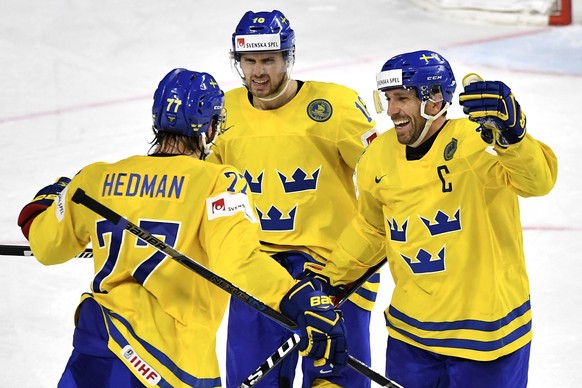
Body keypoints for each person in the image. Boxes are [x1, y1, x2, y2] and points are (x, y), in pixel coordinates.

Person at [16, 68, 347, 388]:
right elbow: (239, 263)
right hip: (172, 366)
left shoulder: (95, 179)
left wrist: (52, 198)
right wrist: (295, 297)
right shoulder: (218, 182)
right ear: (210, 128)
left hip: (97, 347)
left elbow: (46, 247)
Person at [318, 49, 558, 387]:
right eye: (388, 99)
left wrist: (513, 137)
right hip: (411, 335)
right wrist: (330, 279)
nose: (392, 111)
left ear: (434, 100)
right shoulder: (378, 156)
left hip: (487, 335)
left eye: (402, 98)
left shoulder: (478, 141)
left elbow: (538, 182)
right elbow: (371, 228)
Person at [207, 9, 380, 388]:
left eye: (268, 60)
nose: (257, 72)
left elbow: (383, 178)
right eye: (248, 61)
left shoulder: (335, 107)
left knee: (336, 381)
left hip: (332, 270)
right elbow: (200, 184)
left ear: (288, 57)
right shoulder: (223, 110)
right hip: (258, 270)